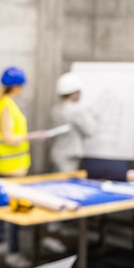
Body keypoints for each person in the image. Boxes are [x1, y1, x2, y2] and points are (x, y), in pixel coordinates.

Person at [0, 66, 44, 268]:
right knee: (13, 212)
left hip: (4, 166)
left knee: (3, 210)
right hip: (11, 168)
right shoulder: (7, 106)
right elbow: (8, 137)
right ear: (18, 86)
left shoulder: (1, 103)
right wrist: (32, 136)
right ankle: (12, 253)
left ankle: (1, 243)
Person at [43, 72, 98, 254]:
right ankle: (51, 235)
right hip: (68, 156)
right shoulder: (76, 110)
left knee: (57, 193)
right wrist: (95, 119)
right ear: (73, 92)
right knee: (61, 197)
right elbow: (89, 131)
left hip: (58, 154)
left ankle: (55, 230)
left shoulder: (56, 108)